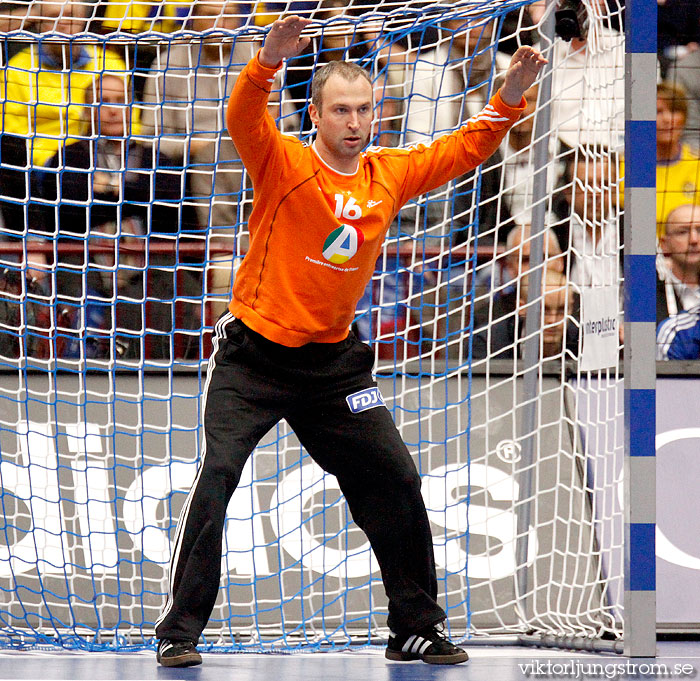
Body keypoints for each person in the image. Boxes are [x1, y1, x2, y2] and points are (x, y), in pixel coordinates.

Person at [154, 14, 546, 668]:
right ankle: (180, 630)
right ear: (316, 114)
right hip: (252, 356)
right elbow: (243, 116)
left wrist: (509, 96)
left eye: (365, 110)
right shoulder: (281, 162)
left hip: (334, 367)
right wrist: (267, 61)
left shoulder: (387, 175)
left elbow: (463, 150)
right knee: (217, 475)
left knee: (395, 475)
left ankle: (414, 626)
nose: (355, 122)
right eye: (341, 110)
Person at [472, 267, 578, 361]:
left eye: (561, 310)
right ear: (522, 308)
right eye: (542, 310)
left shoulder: (583, 342)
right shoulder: (488, 343)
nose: (552, 320)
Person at [657, 203, 700, 323]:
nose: (694, 240)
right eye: (682, 232)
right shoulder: (648, 295)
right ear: (664, 244)